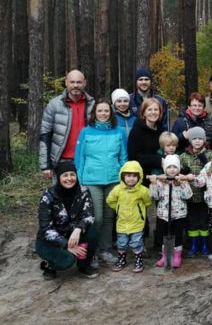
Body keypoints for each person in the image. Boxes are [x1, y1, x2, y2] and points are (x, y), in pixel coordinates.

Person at [74, 99, 128, 264]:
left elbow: (123, 156)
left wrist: (123, 176)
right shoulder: (85, 132)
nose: (103, 114)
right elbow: (79, 157)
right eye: (100, 111)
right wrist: (80, 179)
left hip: (113, 179)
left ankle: (105, 249)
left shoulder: (119, 131)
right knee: (96, 217)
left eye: (106, 111)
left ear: (111, 113)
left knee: (109, 217)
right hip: (92, 180)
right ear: (94, 113)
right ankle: (92, 251)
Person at [36, 162, 99, 279]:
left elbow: (89, 215)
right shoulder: (48, 195)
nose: (69, 178)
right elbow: (45, 229)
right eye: (65, 175)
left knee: (92, 231)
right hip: (49, 240)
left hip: (73, 234)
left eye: (72, 174)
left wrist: (78, 230)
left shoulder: (83, 191)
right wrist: (65, 245)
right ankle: (49, 266)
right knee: (67, 261)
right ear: (59, 178)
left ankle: (84, 265)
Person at [39, 69, 95, 182]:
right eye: (72, 82)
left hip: (88, 160)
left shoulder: (93, 105)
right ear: (66, 83)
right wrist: (45, 165)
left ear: (84, 83)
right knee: (61, 197)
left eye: (79, 82)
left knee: (86, 197)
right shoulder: (54, 104)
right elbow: (45, 135)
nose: (75, 85)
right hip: (61, 161)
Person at [106, 161, 152, 273]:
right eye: (128, 176)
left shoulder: (142, 190)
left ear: (139, 177)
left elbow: (148, 201)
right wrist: (118, 208)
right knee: (121, 243)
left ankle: (138, 260)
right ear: (122, 176)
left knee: (136, 242)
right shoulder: (118, 189)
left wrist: (139, 211)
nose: (131, 179)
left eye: (134, 176)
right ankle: (122, 259)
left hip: (137, 222)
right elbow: (110, 200)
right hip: (122, 222)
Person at [149, 155, 193, 268]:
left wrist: (183, 183)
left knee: (177, 236)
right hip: (163, 214)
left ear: (178, 169)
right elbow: (155, 196)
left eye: (174, 167)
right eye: (169, 167)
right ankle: (165, 255)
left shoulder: (181, 181)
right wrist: (154, 184)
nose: (172, 169)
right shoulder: (160, 181)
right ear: (165, 169)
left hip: (179, 214)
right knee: (164, 236)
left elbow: (188, 196)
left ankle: (177, 256)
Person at [179, 126, 212, 257]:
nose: (197, 141)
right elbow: (178, 171)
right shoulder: (183, 156)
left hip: (205, 195)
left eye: (200, 138)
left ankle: (205, 244)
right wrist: (184, 172)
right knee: (192, 221)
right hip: (189, 195)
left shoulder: (210, 154)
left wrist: (205, 161)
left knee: (204, 220)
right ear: (190, 140)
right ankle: (194, 245)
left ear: (204, 140)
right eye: (194, 138)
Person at [127, 98, 164, 179]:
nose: (153, 112)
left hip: (160, 177)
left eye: (156, 109)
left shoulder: (161, 131)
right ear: (144, 113)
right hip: (142, 177)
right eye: (149, 109)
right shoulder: (136, 131)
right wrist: (158, 161)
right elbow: (134, 157)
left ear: (160, 112)